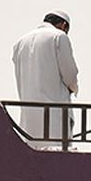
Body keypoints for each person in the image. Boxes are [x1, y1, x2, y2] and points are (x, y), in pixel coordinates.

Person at [12, 11, 80, 150]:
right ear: (64, 25)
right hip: (54, 119)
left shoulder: (20, 42)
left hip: (28, 120)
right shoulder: (59, 37)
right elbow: (70, 74)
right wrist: (73, 88)